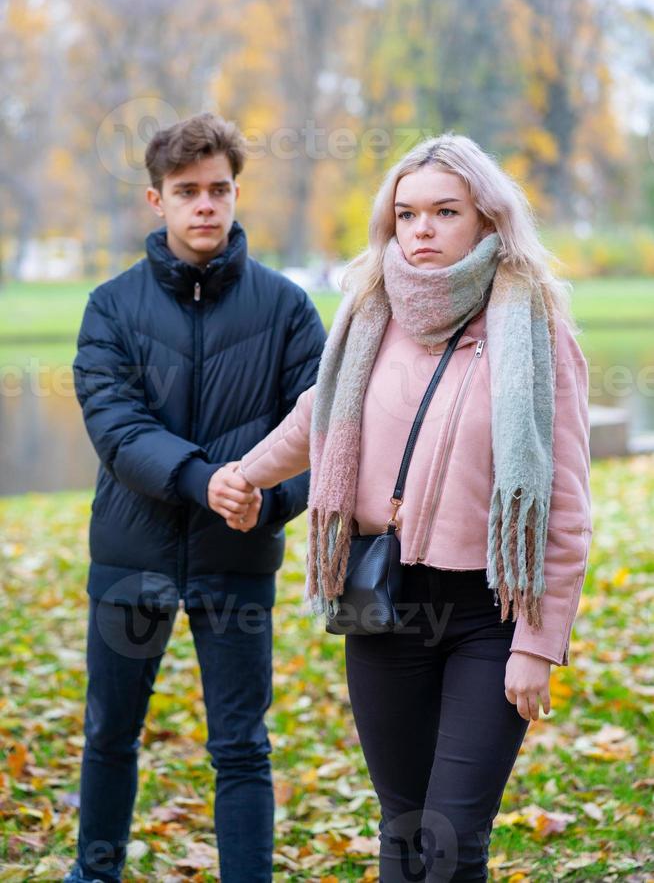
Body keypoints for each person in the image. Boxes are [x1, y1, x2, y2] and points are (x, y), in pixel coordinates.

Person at [228, 134, 593, 882]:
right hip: (383, 603)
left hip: (488, 612)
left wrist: (538, 642)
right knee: (402, 829)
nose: (422, 229)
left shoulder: (535, 331)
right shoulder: (370, 314)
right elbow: (317, 415)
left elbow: (563, 504)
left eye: (444, 212)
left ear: (487, 222)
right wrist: (248, 475)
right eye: (407, 214)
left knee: (452, 838)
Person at [66, 112, 326, 883]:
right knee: (111, 733)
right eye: (188, 192)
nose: (205, 205)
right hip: (130, 556)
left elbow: (328, 435)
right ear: (157, 201)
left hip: (238, 557)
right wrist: (204, 480)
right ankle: (94, 874)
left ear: (236, 193)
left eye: (219, 189)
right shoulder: (111, 308)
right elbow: (115, 427)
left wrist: (267, 501)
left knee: (241, 746)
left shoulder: (287, 310)